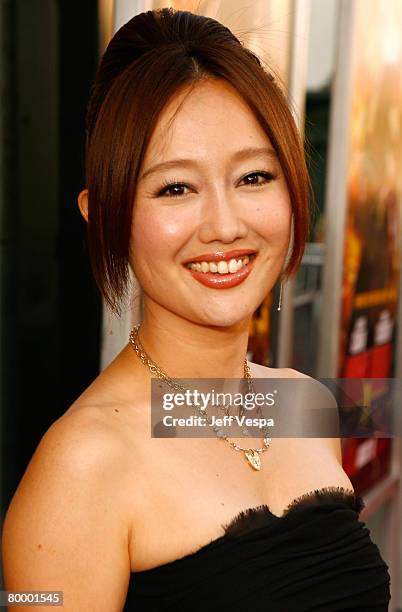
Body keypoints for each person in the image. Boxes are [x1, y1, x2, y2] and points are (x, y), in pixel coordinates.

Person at [2, 8, 391, 611]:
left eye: (254, 176)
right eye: (175, 187)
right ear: (101, 212)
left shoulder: (304, 403)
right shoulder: (82, 470)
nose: (225, 225)